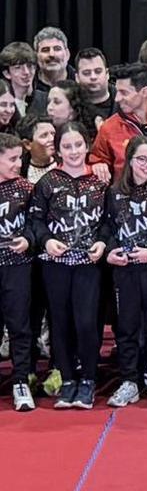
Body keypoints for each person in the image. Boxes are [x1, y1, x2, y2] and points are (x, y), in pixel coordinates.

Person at [29, 122, 108, 409]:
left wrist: (102, 242)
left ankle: (88, 378)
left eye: (78, 145)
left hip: (89, 264)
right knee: (60, 322)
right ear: (58, 149)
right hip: (55, 265)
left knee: (87, 322)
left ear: (87, 146)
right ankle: (67, 379)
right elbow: (35, 221)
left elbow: (110, 222)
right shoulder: (48, 183)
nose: (74, 151)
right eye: (67, 146)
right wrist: (47, 240)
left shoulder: (100, 182)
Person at [103, 136, 147, 408]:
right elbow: (106, 230)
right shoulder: (114, 193)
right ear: (129, 160)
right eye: (142, 159)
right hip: (125, 272)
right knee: (127, 328)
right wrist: (110, 251)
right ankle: (129, 381)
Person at [89, 63, 147, 179]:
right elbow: (95, 161)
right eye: (117, 92)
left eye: (124, 92)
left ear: (144, 92)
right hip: (125, 194)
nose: (117, 98)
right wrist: (97, 165)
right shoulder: (109, 128)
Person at [0, 133, 37, 411]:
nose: (17, 164)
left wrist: (28, 239)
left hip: (18, 267)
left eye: (20, 158)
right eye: (12, 159)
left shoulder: (26, 188)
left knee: (20, 326)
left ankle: (21, 380)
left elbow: (38, 224)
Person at [32, 27, 73, 96]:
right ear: (36, 56)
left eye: (57, 49)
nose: (52, 54)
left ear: (67, 54)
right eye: (45, 50)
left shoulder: (80, 82)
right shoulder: (28, 84)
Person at [74, 48, 115, 117]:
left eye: (98, 71)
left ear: (107, 74)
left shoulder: (125, 105)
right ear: (77, 77)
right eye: (86, 73)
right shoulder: (70, 108)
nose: (93, 77)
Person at [2, 42, 37, 117]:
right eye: (18, 68)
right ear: (7, 74)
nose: (26, 72)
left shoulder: (44, 99)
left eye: (30, 66)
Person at [18, 115, 55, 185]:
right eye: (44, 135)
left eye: (53, 134)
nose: (52, 139)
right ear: (27, 144)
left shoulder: (66, 163)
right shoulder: (20, 171)